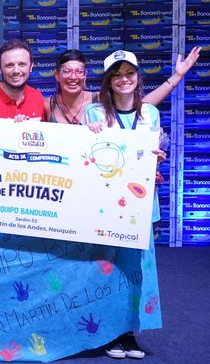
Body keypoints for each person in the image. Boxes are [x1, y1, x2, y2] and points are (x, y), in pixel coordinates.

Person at [82, 49, 175, 360]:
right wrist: (88, 136)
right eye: (117, 75)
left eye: (129, 74)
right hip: (106, 206)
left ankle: (131, 333)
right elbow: (85, 158)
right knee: (109, 267)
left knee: (137, 270)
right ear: (108, 82)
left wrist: (158, 158)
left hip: (141, 203)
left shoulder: (151, 115)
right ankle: (111, 332)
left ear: (137, 79)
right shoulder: (94, 114)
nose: (124, 80)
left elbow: (155, 154)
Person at [45, 47, 202, 124]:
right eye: (67, 71)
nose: (73, 77)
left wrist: (177, 76)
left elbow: (140, 106)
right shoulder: (47, 105)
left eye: (79, 71)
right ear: (57, 75)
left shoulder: (99, 100)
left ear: (85, 75)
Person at [0, 38, 45, 120]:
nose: (16, 71)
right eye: (9, 65)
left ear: (31, 67)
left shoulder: (37, 97)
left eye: (22, 64)